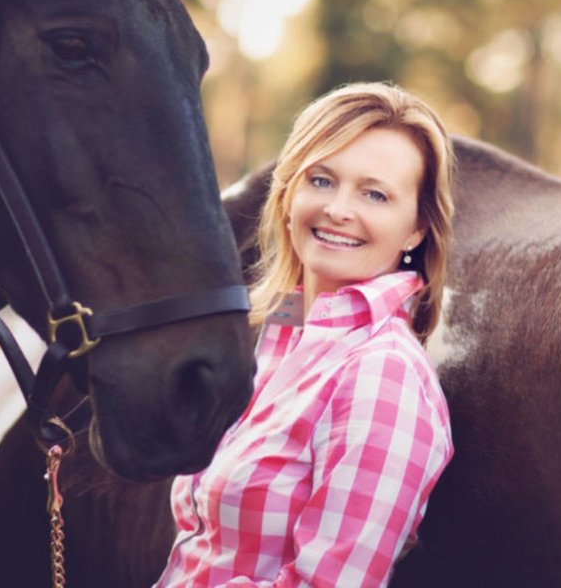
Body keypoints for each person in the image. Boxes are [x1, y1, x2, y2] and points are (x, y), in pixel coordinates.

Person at [154, 82, 456, 587]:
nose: (338, 209)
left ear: (417, 229)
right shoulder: (280, 335)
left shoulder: (383, 374)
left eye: (375, 194)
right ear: (289, 192)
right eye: (321, 180)